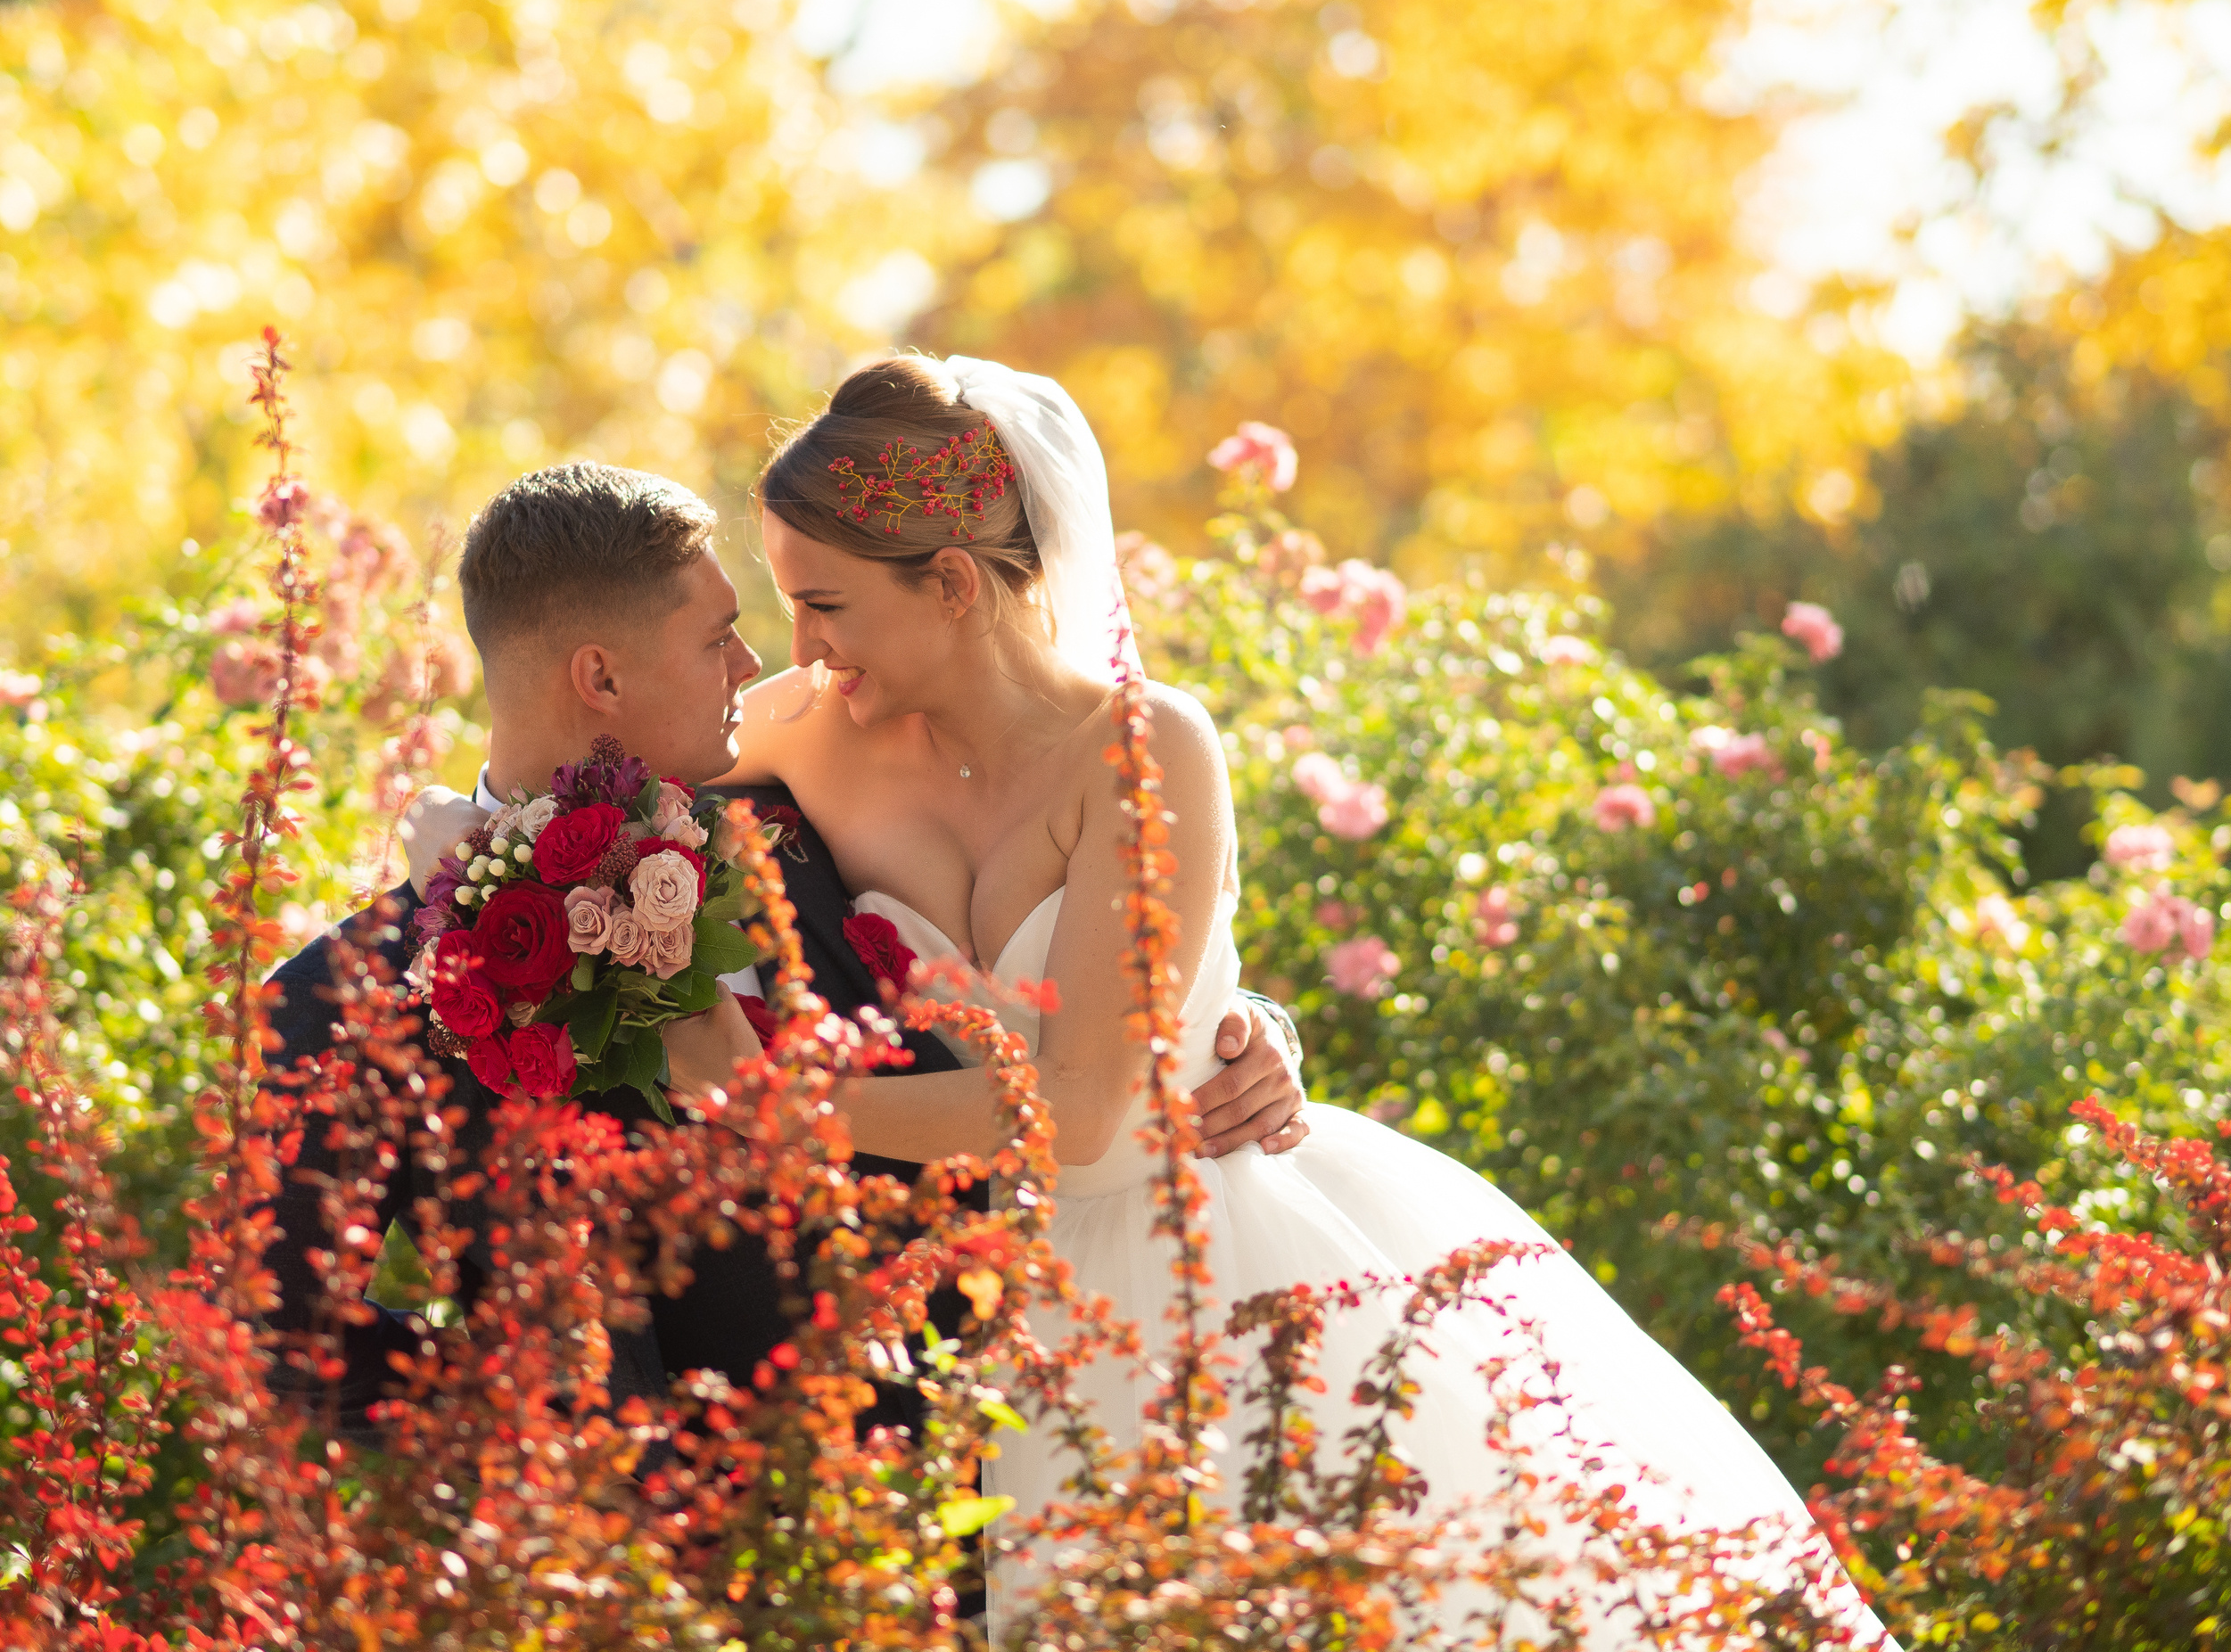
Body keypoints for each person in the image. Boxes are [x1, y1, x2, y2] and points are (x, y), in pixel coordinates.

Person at [643, 355, 1895, 1648]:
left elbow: (1077, 1113)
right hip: (995, 1303)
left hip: (1217, 1269)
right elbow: (582, 794)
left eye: (824, 604)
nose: (796, 648)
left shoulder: (1145, 748)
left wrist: (783, 1107)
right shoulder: (803, 728)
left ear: (951, 584)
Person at [265, 461, 1309, 1443]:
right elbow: (284, 1346)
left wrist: (1230, 1033)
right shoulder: (350, 996)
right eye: (718, 635)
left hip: (991, 1478)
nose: (757, 663)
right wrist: (572, 1445)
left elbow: (1022, 967)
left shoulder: (802, 822)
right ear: (601, 677)